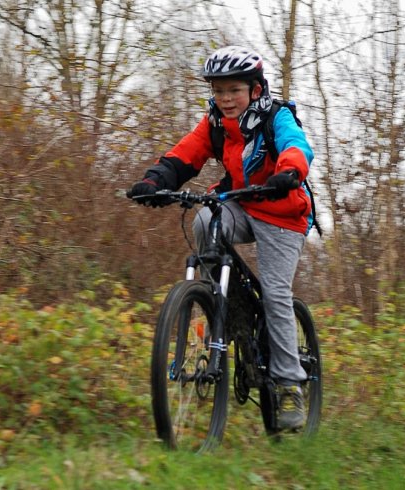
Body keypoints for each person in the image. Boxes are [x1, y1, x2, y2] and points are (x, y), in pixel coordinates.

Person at [128, 45, 314, 431]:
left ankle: (289, 385)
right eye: (219, 91)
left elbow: (298, 146)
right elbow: (184, 155)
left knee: (278, 294)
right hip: (242, 204)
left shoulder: (275, 117)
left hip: (283, 212)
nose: (226, 99)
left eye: (234, 90)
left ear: (255, 90)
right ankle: (224, 305)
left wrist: (289, 172)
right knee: (204, 218)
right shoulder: (214, 123)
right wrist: (154, 181)